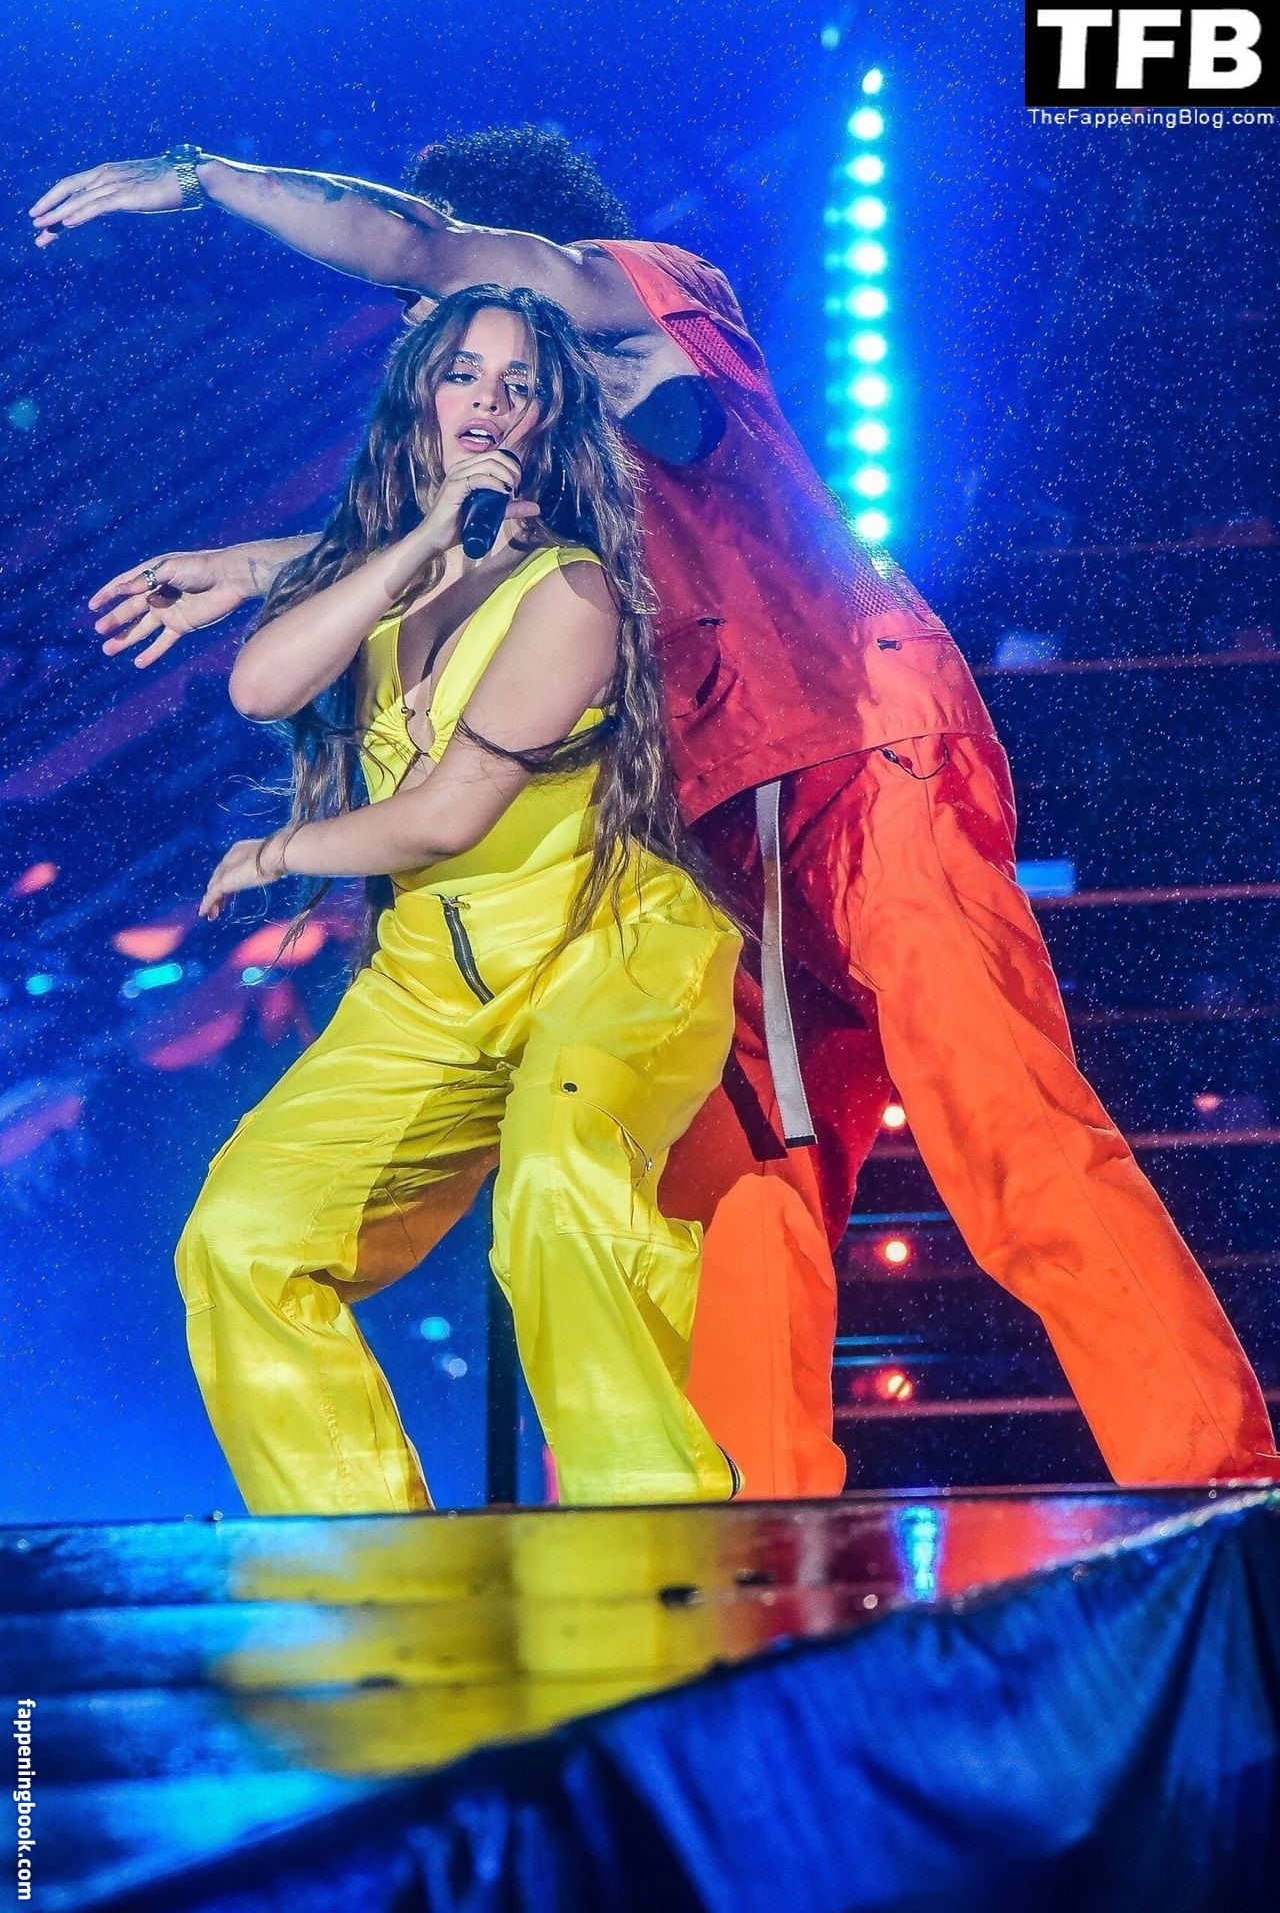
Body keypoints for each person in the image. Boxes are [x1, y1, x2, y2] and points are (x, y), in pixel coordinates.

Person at [36, 128, 1280, 1491]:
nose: (456, 377)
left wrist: (207, 178)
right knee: (725, 1202)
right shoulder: (553, 460)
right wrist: (257, 566)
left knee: (1006, 1124)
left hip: (861, 763)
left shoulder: (646, 292)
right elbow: (450, 548)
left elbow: (417, 245)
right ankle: (728, 1556)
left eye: (450, 326)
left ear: (517, 264)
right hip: (708, 847)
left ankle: (1212, 1486)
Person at [171, 281, 743, 1513]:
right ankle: (365, 1565)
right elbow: (261, 688)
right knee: (241, 1236)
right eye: (462, 374)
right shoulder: (389, 574)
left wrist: (280, 853)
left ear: (545, 422)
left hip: (601, 958)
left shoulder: (572, 592)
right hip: (431, 990)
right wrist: (418, 540)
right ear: (421, 399)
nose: (486, 400)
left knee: (556, 1189)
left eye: (517, 385)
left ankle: (653, 1536)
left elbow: (447, 814)